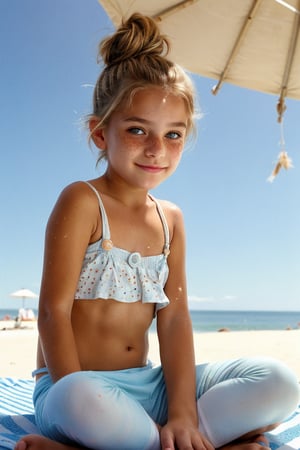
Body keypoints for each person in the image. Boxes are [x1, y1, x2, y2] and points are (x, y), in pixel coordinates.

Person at [15, 13, 299, 450]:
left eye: (173, 135)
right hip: (72, 386)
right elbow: (52, 312)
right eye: (136, 130)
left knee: (280, 382)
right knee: (83, 400)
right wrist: (71, 397)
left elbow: (174, 320)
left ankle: (171, 437)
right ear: (98, 133)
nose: (156, 149)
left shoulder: (171, 220)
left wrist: (183, 412)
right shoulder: (82, 201)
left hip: (149, 389)